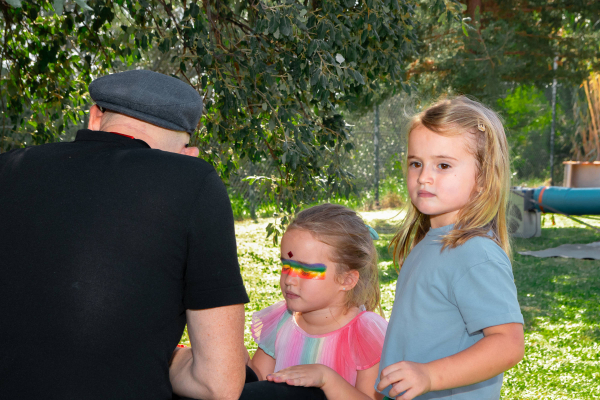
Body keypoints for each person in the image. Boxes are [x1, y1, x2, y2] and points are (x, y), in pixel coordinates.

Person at [0, 70, 249, 400]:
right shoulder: (192, 180)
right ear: (187, 150)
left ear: (94, 116)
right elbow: (218, 384)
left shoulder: (8, 167)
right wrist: (168, 359)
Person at [376, 96, 525, 400]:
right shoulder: (431, 242)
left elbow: (508, 344)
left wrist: (430, 375)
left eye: (443, 165)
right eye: (416, 163)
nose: (424, 176)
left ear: (482, 177)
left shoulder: (475, 253)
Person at [244, 203, 388, 400]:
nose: (289, 279)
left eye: (305, 270)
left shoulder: (363, 332)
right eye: (286, 266)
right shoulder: (280, 321)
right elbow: (257, 383)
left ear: (346, 280)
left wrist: (327, 379)